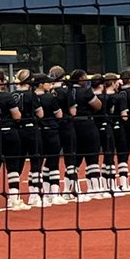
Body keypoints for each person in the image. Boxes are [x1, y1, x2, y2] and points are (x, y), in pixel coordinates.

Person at [0, 70, 28, 211]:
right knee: (13, 166)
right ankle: (14, 199)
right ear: (1, 82)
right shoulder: (7, 96)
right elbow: (17, 116)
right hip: (8, 133)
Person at [13, 69, 45, 207]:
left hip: (17, 130)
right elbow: (41, 114)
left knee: (17, 163)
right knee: (36, 160)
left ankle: (14, 195)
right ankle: (34, 195)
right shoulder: (30, 95)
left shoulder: (12, 94)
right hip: (31, 129)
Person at [70, 69, 103, 199]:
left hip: (72, 126)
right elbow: (97, 105)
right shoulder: (86, 91)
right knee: (92, 156)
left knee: (75, 158)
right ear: (80, 79)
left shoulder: (67, 90)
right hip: (87, 125)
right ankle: (94, 188)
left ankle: (73, 189)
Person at [35, 74, 65, 205]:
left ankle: (42, 193)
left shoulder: (32, 97)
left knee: (39, 163)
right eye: (47, 83)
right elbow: (59, 114)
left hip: (38, 132)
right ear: (41, 84)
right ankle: (54, 193)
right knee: (53, 162)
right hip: (51, 131)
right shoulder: (49, 97)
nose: (50, 85)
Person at [50, 67, 79, 198]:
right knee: (70, 157)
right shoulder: (65, 90)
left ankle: (50, 192)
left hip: (52, 127)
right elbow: (73, 112)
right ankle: (69, 190)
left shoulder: (48, 90)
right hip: (66, 125)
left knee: (51, 158)